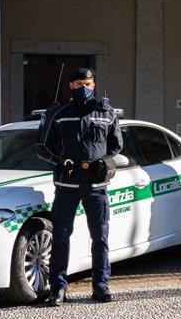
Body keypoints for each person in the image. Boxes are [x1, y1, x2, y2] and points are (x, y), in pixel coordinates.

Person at [36, 67, 123, 305]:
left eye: (88, 83)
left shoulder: (107, 113)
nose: (83, 88)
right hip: (67, 183)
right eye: (78, 84)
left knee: (100, 237)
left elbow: (116, 146)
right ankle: (58, 289)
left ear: (94, 85)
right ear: (70, 86)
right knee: (61, 237)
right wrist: (61, 160)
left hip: (96, 184)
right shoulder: (59, 113)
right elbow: (44, 145)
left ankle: (101, 286)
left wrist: (105, 162)